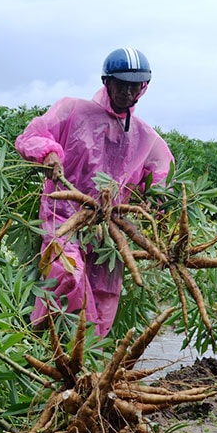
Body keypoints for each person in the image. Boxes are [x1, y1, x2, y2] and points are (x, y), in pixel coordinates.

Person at [14, 47, 175, 337]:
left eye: (134, 85)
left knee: (102, 305)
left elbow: (162, 180)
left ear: (144, 87)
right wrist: (48, 153)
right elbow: (31, 135)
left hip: (108, 232)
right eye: (121, 84)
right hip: (63, 217)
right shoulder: (72, 110)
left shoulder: (146, 137)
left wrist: (159, 210)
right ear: (107, 82)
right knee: (66, 275)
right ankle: (44, 347)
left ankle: (88, 369)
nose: (127, 92)